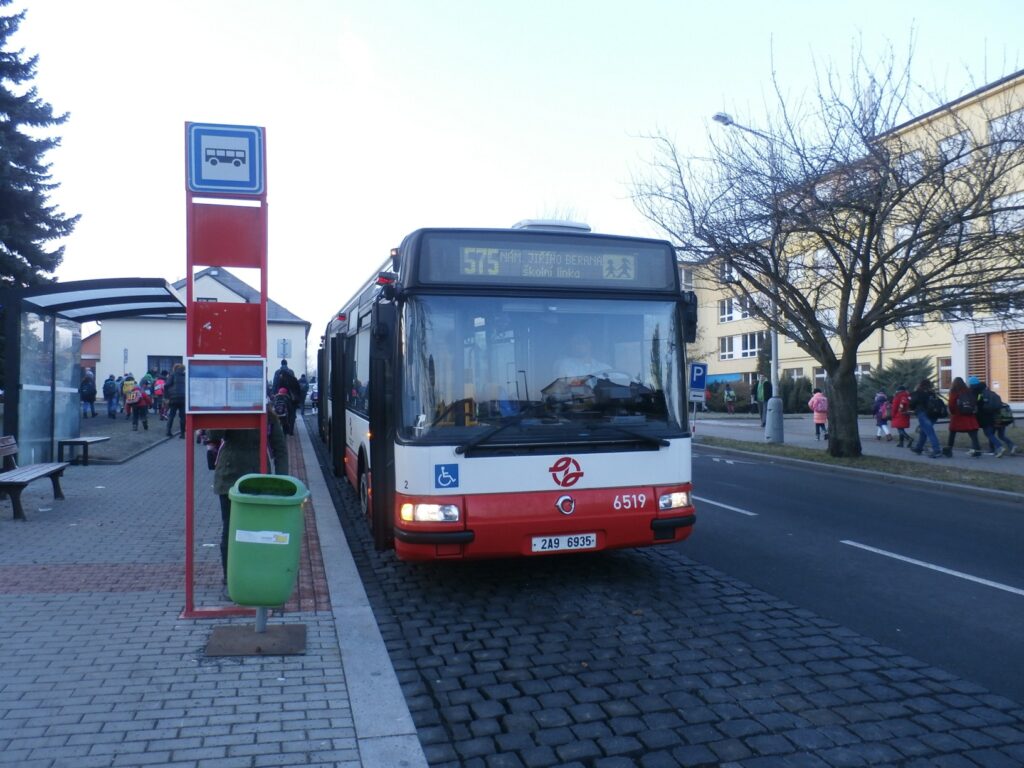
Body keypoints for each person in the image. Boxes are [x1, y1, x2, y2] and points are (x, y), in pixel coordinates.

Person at [207, 404, 289, 586]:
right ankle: (230, 577)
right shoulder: (228, 409)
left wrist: (283, 482)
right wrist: (224, 410)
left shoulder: (268, 415)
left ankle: (253, 572)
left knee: (258, 530)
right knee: (230, 529)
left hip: (257, 478)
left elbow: (280, 448)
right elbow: (213, 435)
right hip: (230, 477)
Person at [945, 376, 982, 457]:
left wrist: (952, 412)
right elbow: (974, 402)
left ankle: (949, 450)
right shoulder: (968, 391)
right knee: (973, 434)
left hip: (958, 416)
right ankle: (977, 450)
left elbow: (951, 404)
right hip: (969, 416)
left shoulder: (954, 392)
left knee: (952, 433)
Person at [970, 376, 1006, 457]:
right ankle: (992, 450)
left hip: (983, 416)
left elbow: (977, 404)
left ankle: (999, 447)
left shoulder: (975, 391)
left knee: (988, 433)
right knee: (990, 432)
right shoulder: (987, 391)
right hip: (992, 415)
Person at [908, 378, 943, 458]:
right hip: (934, 415)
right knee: (923, 432)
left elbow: (911, 404)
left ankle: (936, 450)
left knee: (930, 432)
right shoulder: (932, 393)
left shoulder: (918, 392)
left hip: (923, 414)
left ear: (920, 385)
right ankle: (919, 448)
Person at [164, 363, 187, 438]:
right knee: (183, 416)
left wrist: (167, 397)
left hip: (173, 398)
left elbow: (166, 386)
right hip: (183, 398)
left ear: (175, 368)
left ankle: (168, 432)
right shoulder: (185, 376)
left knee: (171, 415)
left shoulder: (172, 375)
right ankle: (182, 434)